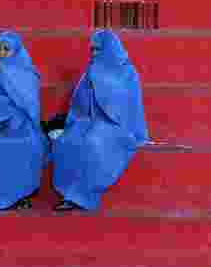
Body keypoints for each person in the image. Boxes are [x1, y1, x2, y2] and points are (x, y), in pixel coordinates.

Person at [51, 29, 149, 211]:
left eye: (98, 49)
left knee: (94, 142)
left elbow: (129, 107)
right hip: (89, 121)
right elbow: (80, 103)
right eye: (93, 50)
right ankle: (69, 195)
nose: (94, 53)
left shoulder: (127, 72)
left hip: (117, 125)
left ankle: (82, 198)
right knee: (67, 140)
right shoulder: (91, 71)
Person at [0, 31, 48, 211]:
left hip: (25, 126)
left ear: (17, 50)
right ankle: (4, 198)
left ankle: (22, 195)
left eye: (7, 49)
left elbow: (32, 107)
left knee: (32, 144)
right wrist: (5, 118)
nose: (2, 53)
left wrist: (19, 122)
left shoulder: (28, 73)